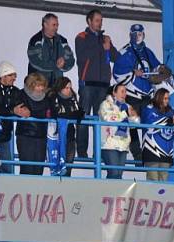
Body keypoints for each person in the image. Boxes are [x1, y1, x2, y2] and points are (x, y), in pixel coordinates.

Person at [113, 23, 162, 161]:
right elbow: (117, 73)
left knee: (148, 126)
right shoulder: (124, 52)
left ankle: (149, 153)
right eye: (135, 34)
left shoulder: (148, 52)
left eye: (140, 34)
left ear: (144, 34)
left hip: (147, 96)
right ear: (130, 35)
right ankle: (137, 155)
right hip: (132, 96)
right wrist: (134, 73)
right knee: (133, 127)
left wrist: (161, 72)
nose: (138, 36)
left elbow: (158, 69)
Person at [74, 8, 119, 158]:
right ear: (89, 21)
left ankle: (98, 153)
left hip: (103, 86)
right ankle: (81, 152)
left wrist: (109, 46)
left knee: (101, 121)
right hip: (87, 84)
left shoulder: (105, 39)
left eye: (101, 20)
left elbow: (115, 57)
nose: (100, 23)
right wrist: (102, 46)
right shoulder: (81, 37)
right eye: (97, 20)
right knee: (84, 118)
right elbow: (82, 57)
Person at [14, 72, 53, 175]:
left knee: (39, 169)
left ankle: (36, 190)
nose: (40, 88)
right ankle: (24, 191)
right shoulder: (21, 94)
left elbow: (50, 112)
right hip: (26, 136)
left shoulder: (47, 97)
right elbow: (18, 110)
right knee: (27, 168)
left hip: (41, 137)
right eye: (38, 85)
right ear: (31, 85)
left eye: (42, 85)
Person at [98, 83, 139, 179]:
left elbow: (135, 125)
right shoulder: (106, 104)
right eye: (122, 91)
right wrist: (125, 114)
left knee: (119, 175)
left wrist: (134, 116)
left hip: (123, 145)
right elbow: (108, 118)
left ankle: (113, 194)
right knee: (114, 173)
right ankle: (107, 193)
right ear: (114, 93)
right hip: (109, 144)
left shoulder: (128, 106)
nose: (124, 94)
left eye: (125, 91)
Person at [140, 88, 174, 181]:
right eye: (165, 98)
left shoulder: (171, 111)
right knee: (153, 180)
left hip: (167, 152)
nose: (167, 101)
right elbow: (150, 125)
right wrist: (171, 121)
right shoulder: (149, 108)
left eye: (168, 98)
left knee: (164, 181)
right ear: (159, 98)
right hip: (152, 150)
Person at [48, 76, 83, 177]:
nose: (69, 90)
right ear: (60, 88)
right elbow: (56, 113)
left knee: (68, 167)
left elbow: (80, 112)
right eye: (66, 88)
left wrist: (74, 114)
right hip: (56, 138)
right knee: (56, 167)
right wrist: (72, 114)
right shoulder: (52, 97)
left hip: (70, 136)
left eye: (70, 88)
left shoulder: (73, 98)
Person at [27, 13, 75, 84]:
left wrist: (63, 64)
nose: (56, 27)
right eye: (54, 25)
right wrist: (56, 65)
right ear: (45, 24)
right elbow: (35, 62)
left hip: (57, 85)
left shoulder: (63, 40)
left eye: (57, 25)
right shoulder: (36, 39)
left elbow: (71, 60)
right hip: (38, 85)